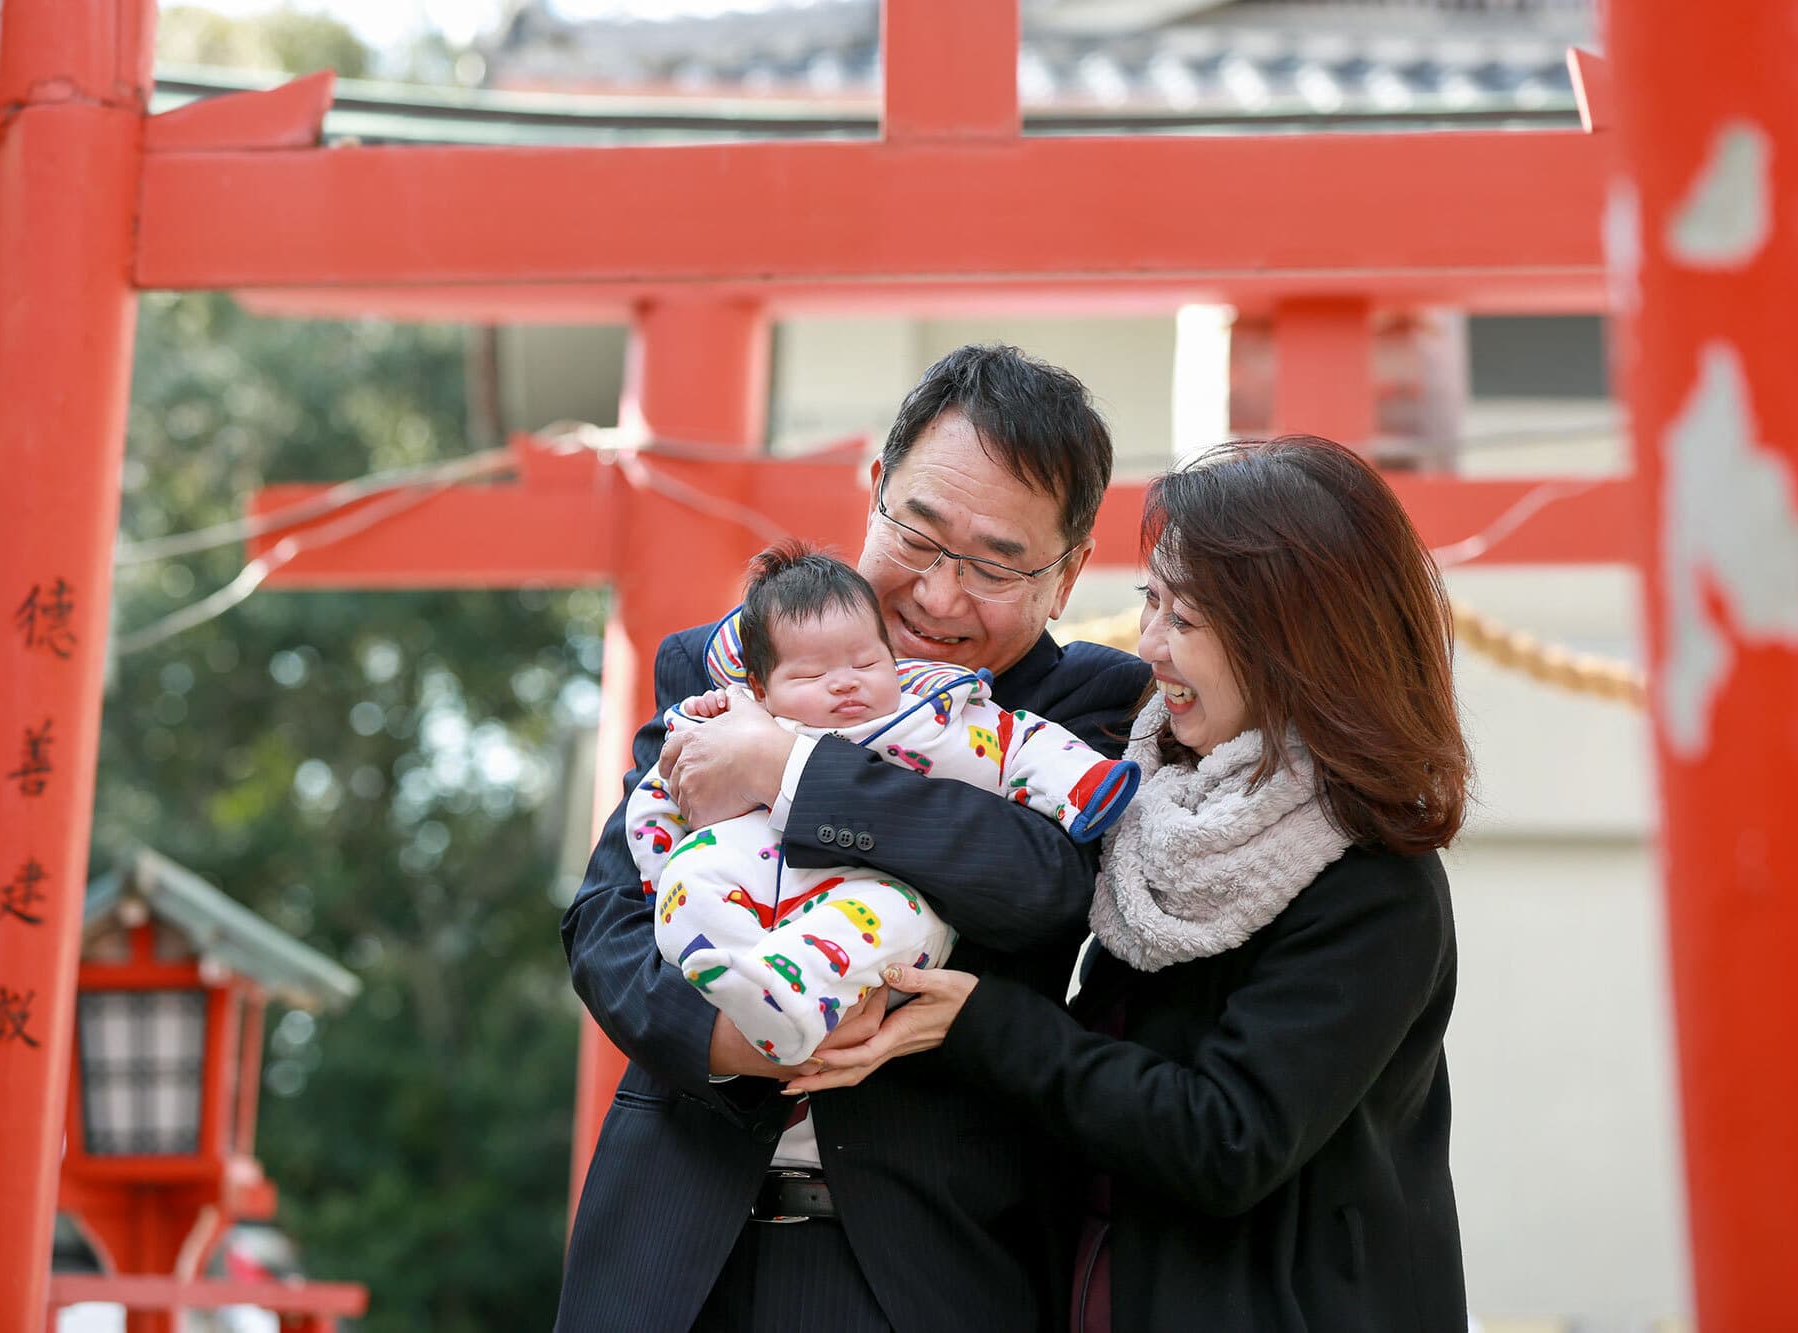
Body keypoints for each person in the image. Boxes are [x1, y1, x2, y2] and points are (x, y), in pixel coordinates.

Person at [791, 436, 1473, 1332]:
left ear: (1294, 639)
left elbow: (1226, 1138)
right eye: (1152, 602)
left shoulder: (1373, 875)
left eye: (1184, 621)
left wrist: (986, 1023)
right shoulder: (1155, 813)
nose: (1148, 646)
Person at [556, 344, 1153, 1332]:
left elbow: (1035, 882)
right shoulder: (725, 663)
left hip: (925, 1271)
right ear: (873, 491)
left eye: (996, 563)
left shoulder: (1080, 708)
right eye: (917, 536)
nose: (939, 594)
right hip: (667, 1256)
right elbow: (609, 924)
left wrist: (784, 770)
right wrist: (751, 1037)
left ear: (1067, 574)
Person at [631, 541, 1140, 1067]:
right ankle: (743, 985)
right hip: (749, 869)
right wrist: (660, 861)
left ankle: (790, 996)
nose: (846, 681)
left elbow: (1023, 745)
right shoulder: (728, 710)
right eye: (810, 676)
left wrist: (1084, 783)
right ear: (760, 687)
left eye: (866, 661)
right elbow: (659, 797)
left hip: (871, 890)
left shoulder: (930, 718)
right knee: (691, 878)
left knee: (894, 915)